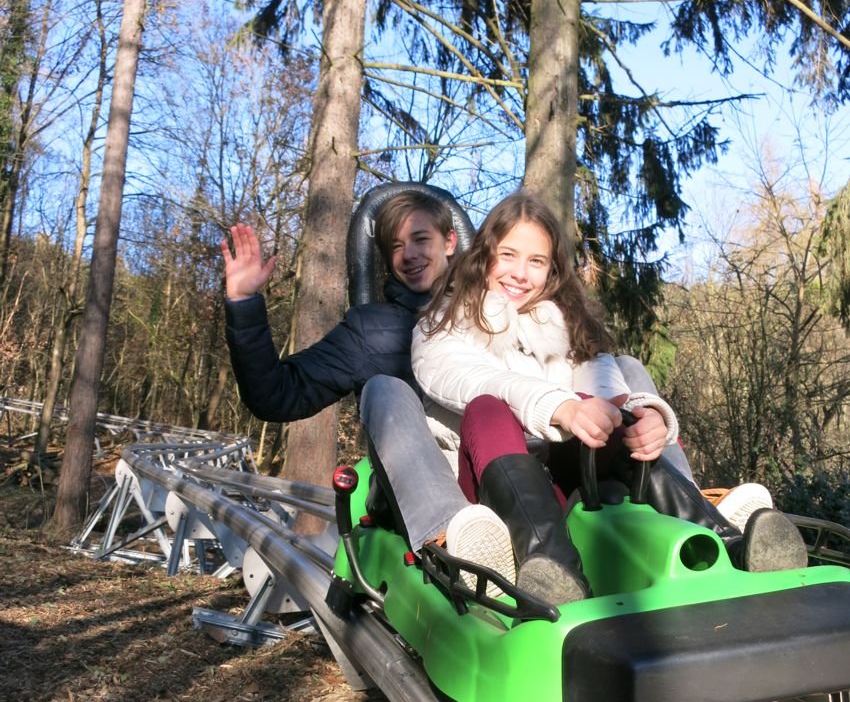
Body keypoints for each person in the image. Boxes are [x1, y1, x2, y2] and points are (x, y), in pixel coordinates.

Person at [412, 191, 808, 606]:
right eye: (508, 255)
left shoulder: (563, 324)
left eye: (536, 262)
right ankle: (552, 569)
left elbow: (604, 385)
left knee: (607, 412)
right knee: (489, 408)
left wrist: (642, 418)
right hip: (494, 488)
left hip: (570, 480)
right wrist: (560, 407)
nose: (520, 273)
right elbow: (470, 379)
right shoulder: (441, 324)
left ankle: (730, 544)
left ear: (552, 271)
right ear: (484, 256)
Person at [221, 190, 498, 547]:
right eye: (396, 247)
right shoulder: (370, 332)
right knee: (387, 389)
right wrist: (244, 304)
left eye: (420, 239)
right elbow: (274, 396)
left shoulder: (496, 313)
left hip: (497, 475)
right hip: (420, 500)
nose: (409, 254)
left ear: (450, 241)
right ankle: (455, 541)